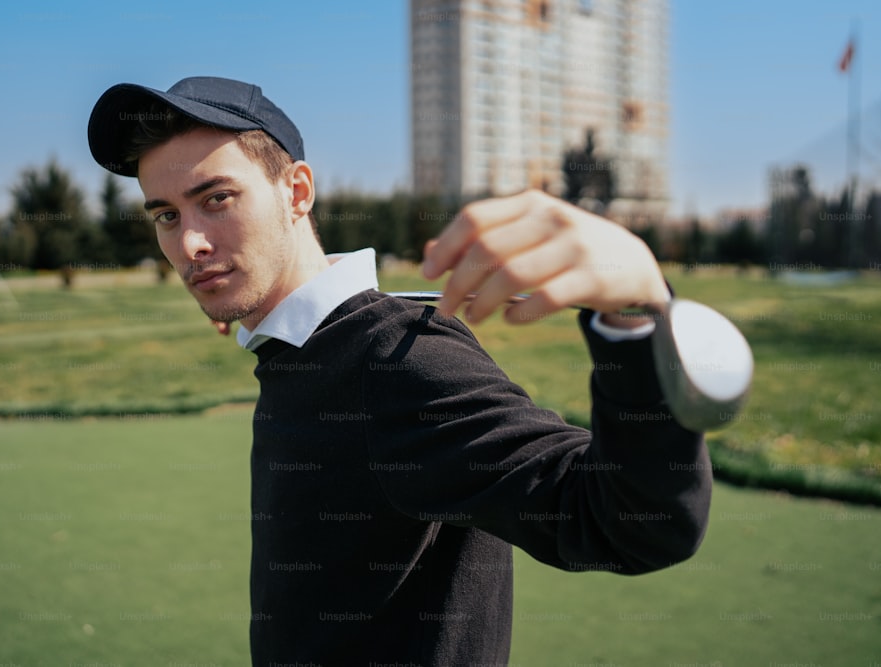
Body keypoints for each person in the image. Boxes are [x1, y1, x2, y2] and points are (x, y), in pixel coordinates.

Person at [88, 76, 712, 666]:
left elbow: (631, 523)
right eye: (166, 215)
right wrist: (257, 315)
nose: (190, 244)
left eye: (217, 199)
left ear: (297, 192)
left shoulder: (396, 363)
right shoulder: (306, 345)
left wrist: (636, 316)